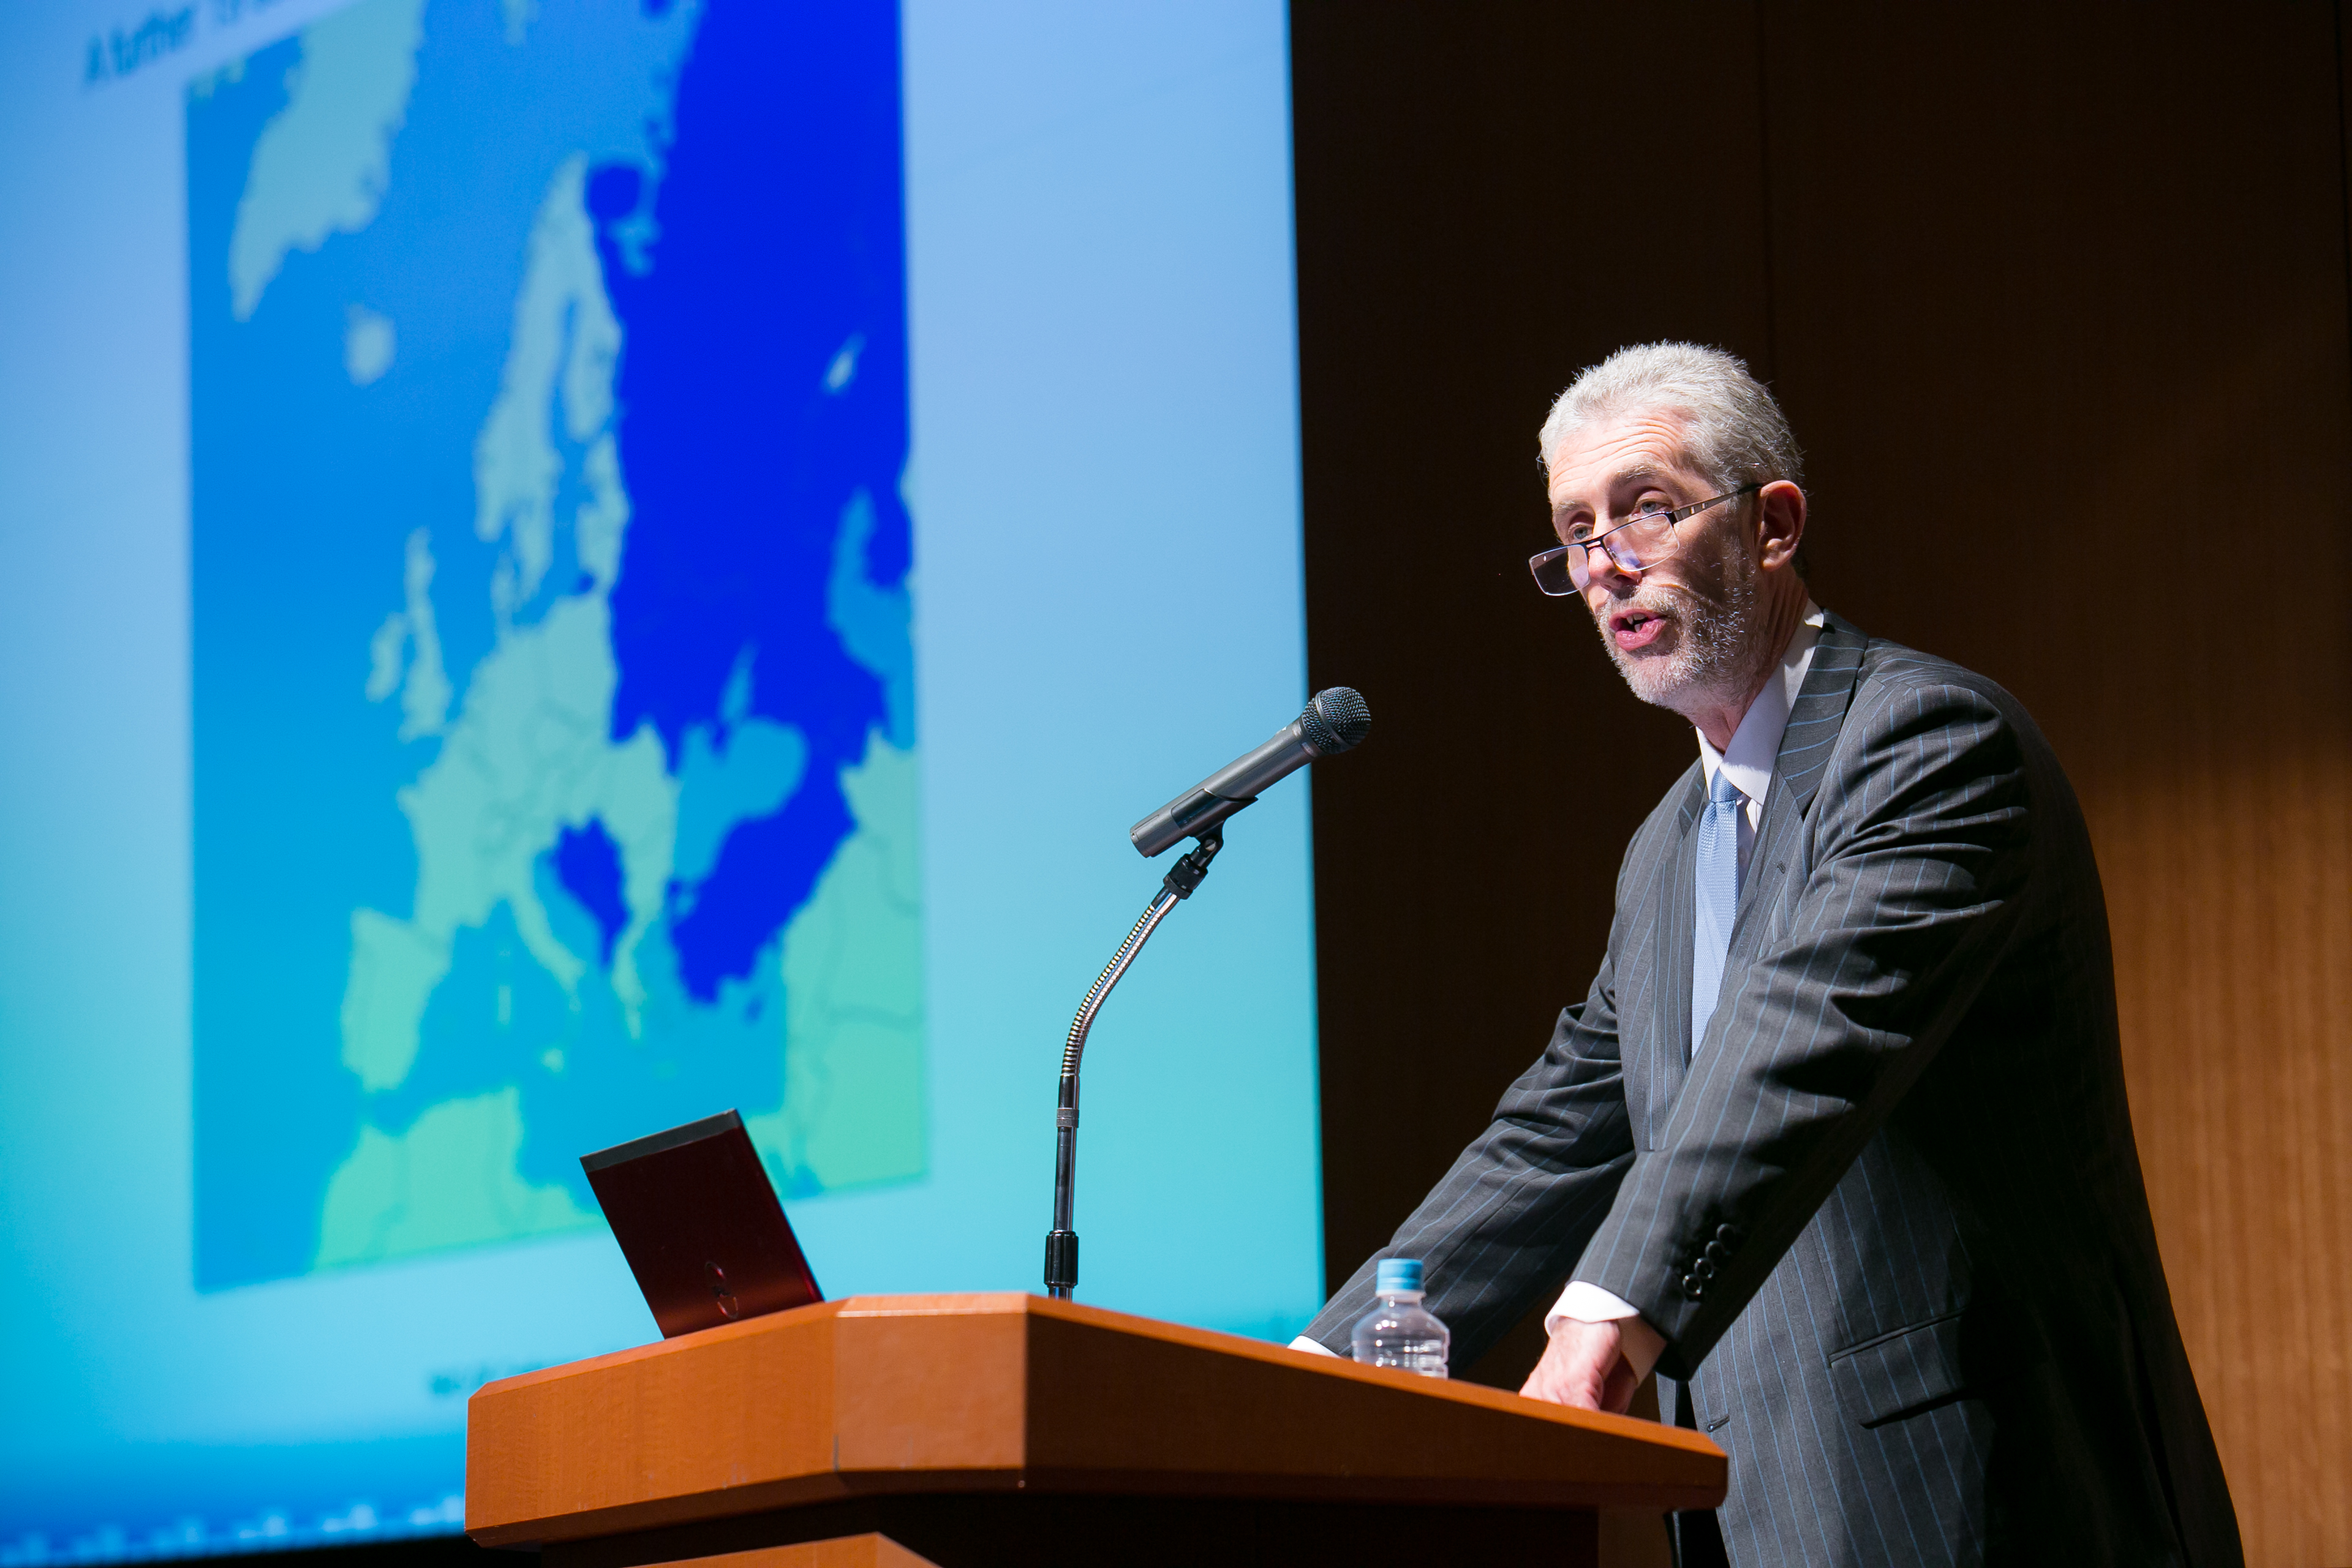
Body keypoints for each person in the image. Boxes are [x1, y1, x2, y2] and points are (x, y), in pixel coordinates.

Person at [1291, 344, 2241, 1567]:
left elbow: (1796, 1044)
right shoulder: (1667, 849)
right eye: (1575, 532)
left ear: (1773, 524)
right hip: (1754, 1504)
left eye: (1645, 507)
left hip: (1977, 1489)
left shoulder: (1927, 745)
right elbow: (1558, 1132)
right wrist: (1320, 1375)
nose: (1605, 563)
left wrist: (1602, 1318)